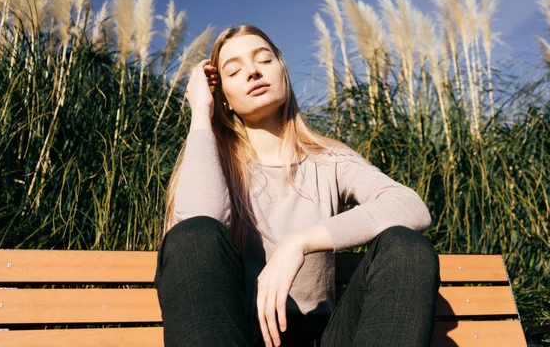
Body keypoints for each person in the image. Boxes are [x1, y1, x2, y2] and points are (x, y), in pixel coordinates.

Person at [153, 24, 440, 347]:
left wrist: (299, 243)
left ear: (282, 72)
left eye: (263, 60)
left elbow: (411, 206)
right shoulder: (214, 162)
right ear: (224, 100)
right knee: (194, 236)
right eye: (233, 71)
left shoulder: (329, 159)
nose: (252, 72)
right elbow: (197, 234)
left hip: (323, 338)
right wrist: (202, 114)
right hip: (235, 338)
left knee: (405, 246)